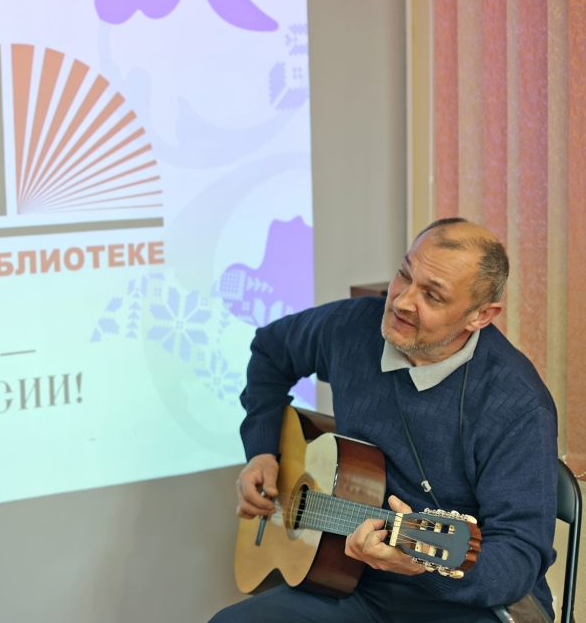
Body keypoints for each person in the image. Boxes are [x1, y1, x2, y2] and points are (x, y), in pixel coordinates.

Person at [211, 219, 558, 623]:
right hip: (350, 581)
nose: (402, 301)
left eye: (432, 295)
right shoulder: (353, 327)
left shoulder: (517, 406)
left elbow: (516, 561)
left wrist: (420, 567)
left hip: (463, 603)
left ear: (481, 315)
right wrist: (263, 450)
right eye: (405, 274)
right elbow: (270, 351)